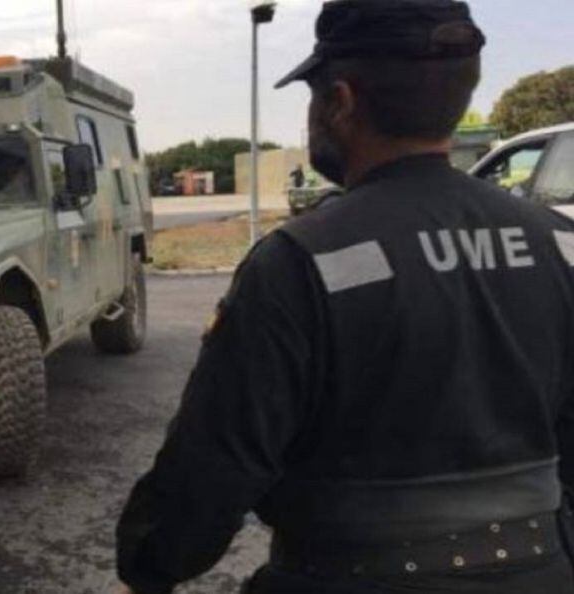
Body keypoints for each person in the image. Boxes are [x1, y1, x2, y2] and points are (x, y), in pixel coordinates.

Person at [115, 1, 574, 593]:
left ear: (340, 102)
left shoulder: (299, 263)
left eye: (313, 97)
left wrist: (148, 567)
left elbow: (213, 469)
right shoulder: (558, 245)